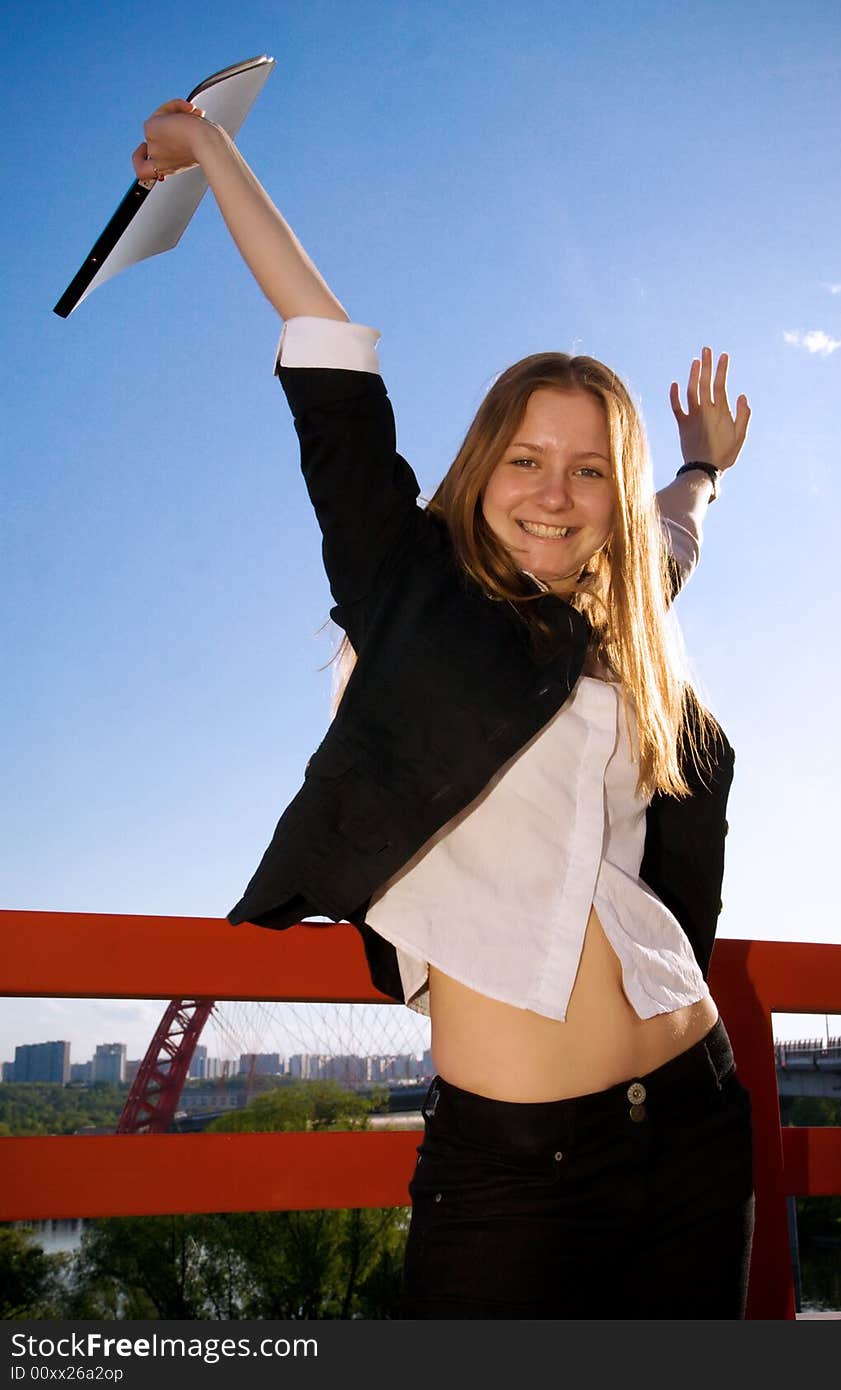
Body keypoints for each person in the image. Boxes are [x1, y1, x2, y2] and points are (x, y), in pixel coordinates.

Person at [134, 100, 754, 1319]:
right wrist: (213, 151)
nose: (556, 494)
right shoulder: (406, 589)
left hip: (695, 1114)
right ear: (481, 468)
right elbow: (326, 342)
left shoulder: (625, 615)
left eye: (588, 470)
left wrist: (700, 469)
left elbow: (670, 536)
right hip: (514, 1172)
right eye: (527, 458)